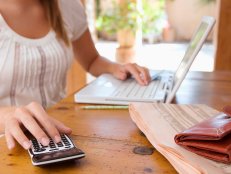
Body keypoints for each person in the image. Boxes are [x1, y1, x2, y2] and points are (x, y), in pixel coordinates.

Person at [0, 0, 151, 150]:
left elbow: (92, 60)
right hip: (9, 142)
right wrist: (8, 115)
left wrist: (117, 68)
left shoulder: (67, 5)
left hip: (62, 136)